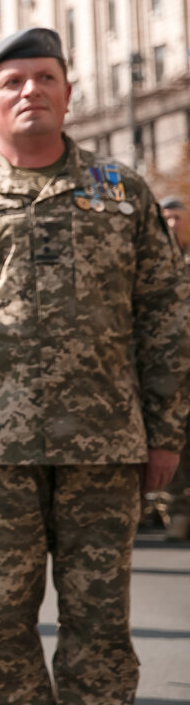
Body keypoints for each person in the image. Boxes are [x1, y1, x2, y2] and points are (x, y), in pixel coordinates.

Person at [0, 27, 189, 704]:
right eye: (14, 82)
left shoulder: (123, 193)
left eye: (46, 78)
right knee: (1, 624)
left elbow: (166, 314)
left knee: (102, 624)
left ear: (69, 94)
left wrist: (165, 430)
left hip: (105, 446)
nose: (32, 92)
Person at [159, 195, 190, 542]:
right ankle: (177, 513)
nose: (171, 224)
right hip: (169, 369)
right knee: (173, 441)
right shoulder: (151, 266)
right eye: (165, 218)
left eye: (176, 218)